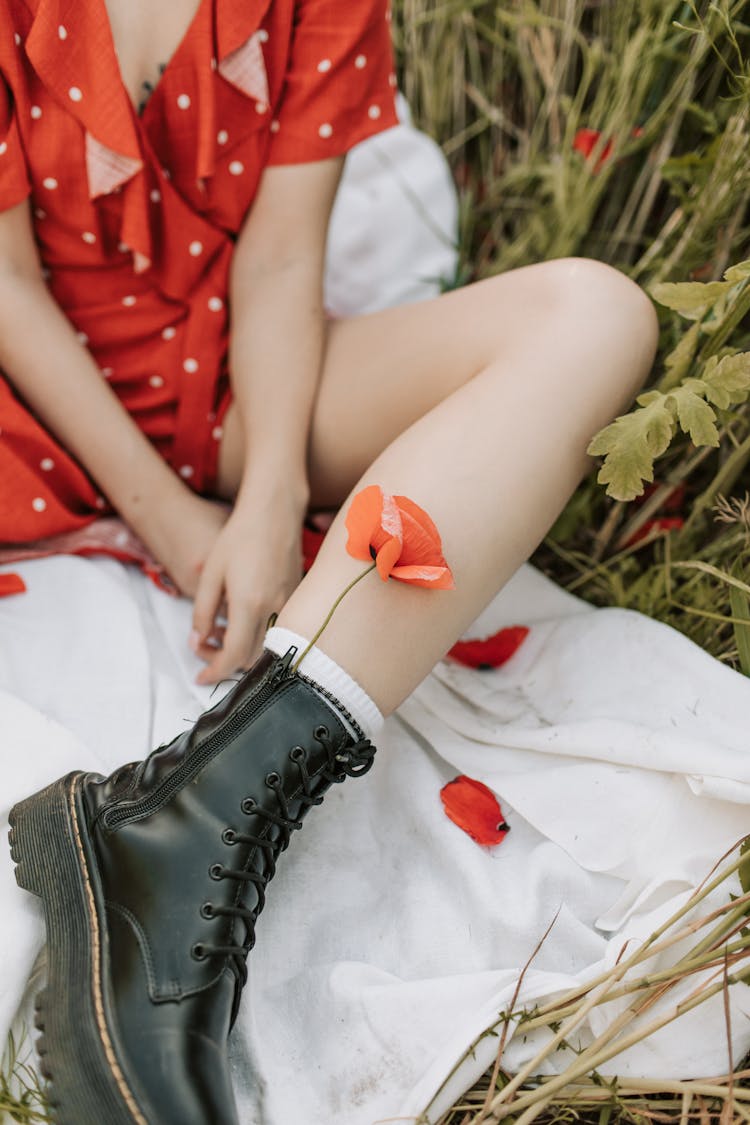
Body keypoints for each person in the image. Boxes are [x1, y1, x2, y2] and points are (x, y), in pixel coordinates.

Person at [2, 0, 660, 1121]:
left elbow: (278, 264)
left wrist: (264, 507)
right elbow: (5, 284)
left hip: (224, 378)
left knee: (596, 313)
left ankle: (189, 816)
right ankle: (150, 851)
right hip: (28, 400)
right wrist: (171, 521)